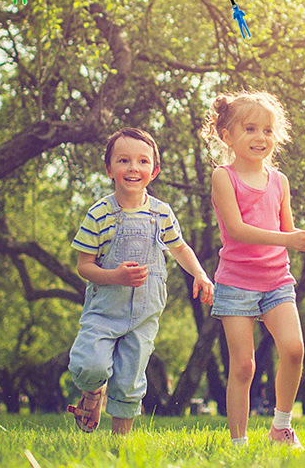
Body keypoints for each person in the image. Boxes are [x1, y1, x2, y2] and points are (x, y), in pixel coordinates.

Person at [67, 127, 213, 435]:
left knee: (130, 379)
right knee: (89, 366)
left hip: (145, 314)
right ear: (109, 169)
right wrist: (115, 276)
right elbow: (84, 266)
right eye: (123, 160)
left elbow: (180, 248)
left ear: (154, 170)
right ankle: (92, 392)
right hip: (104, 311)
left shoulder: (161, 213)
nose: (133, 168)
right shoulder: (99, 214)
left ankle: (119, 444)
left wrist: (199, 273)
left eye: (142, 161)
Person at [201, 91, 305, 449]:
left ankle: (282, 427)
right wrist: (288, 240)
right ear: (227, 136)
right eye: (250, 129)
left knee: (294, 350)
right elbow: (236, 230)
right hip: (236, 284)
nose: (260, 137)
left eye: (267, 131)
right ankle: (239, 443)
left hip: (276, 281)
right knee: (243, 366)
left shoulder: (279, 181)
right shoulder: (224, 177)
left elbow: (287, 230)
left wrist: (304, 237)